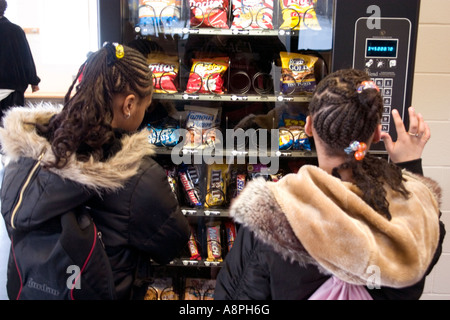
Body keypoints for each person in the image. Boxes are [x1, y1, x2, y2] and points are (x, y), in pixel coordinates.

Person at [214, 68, 445, 300]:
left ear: (308, 126)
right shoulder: (408, 227)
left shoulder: (273, 217)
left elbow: (233, 298)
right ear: (376, 134)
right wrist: (410, 167)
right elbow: (423, 232)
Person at [0, 43, 190, 299]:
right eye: (146, 106)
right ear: (129, 104)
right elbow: (174, 244)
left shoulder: (22, 163)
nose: (145, 113)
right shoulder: (138, 177)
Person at [0, 0, 41, 120]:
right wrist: (34, 81)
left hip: (11, 88)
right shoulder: (15, 30)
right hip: (12, 90)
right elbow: (26, 57)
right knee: (11, 131)